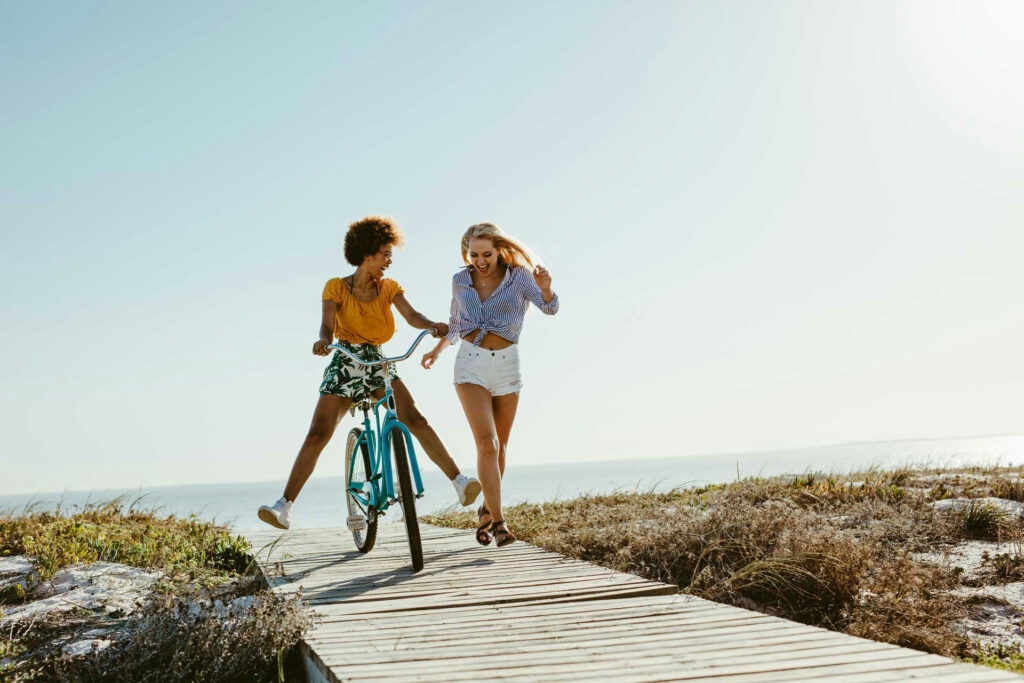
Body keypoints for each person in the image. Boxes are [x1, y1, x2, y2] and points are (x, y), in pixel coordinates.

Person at [259, 215, 481, 530]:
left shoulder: (390, 288)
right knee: (318, 434)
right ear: (367, 254)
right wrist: (324, 341)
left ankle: (459, 482)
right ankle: (284, 506)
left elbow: (412, 315)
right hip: (346, 359)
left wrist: (431, 325)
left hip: (377, 361)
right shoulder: (336, 287)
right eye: (385, 254)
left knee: (414, 418)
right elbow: (326, 324)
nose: (389, 261)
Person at [421, 222, 559, 547]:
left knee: (501, 449)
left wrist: (546, 287)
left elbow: (550, 308)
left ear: (499, 250)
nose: (480, 261)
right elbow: (456, 324)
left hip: (508, 366)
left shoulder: (520, 277)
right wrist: (437, 351)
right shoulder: (460, 280)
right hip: (470, 365)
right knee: (488, 444)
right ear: (465, 253)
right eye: (474, 255)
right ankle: (499, 523)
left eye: (486, 254)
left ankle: (486, 511)